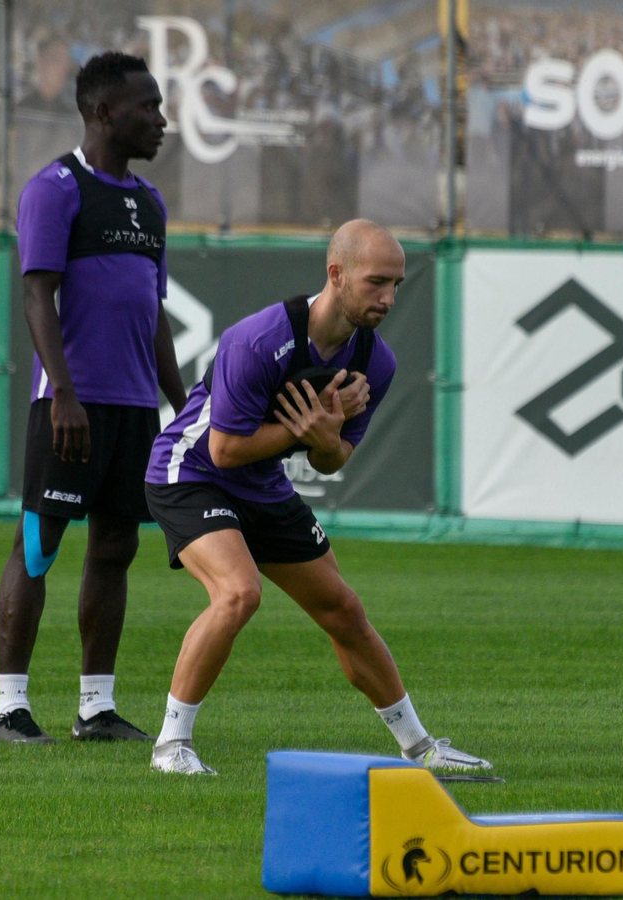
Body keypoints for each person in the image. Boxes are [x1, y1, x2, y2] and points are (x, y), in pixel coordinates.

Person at [143, 220, 493, 775]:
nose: (389, 297)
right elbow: (227, 448)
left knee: (344, 609)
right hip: (191, 472)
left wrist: (325, 436)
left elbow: (333, 459)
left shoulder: (376, 362)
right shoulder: (258, 340)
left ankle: (422, 748)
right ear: (336, 274)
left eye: (397, 284)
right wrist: (308, 431)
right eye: (377, 282)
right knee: (239, 593)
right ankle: (171, 745)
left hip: (262, 483)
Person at [0, 52, 188, 744]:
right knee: (38, 546)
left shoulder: (150, 203)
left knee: (115, 548)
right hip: (70, 406)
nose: (162, 121)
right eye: (149, 108)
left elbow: (152, 313)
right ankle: (10, 708)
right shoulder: (55, 189)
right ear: (105, 113)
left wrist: (182, 402)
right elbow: (36, 297)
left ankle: (95, 709)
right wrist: (65, 396)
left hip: (134, 410)